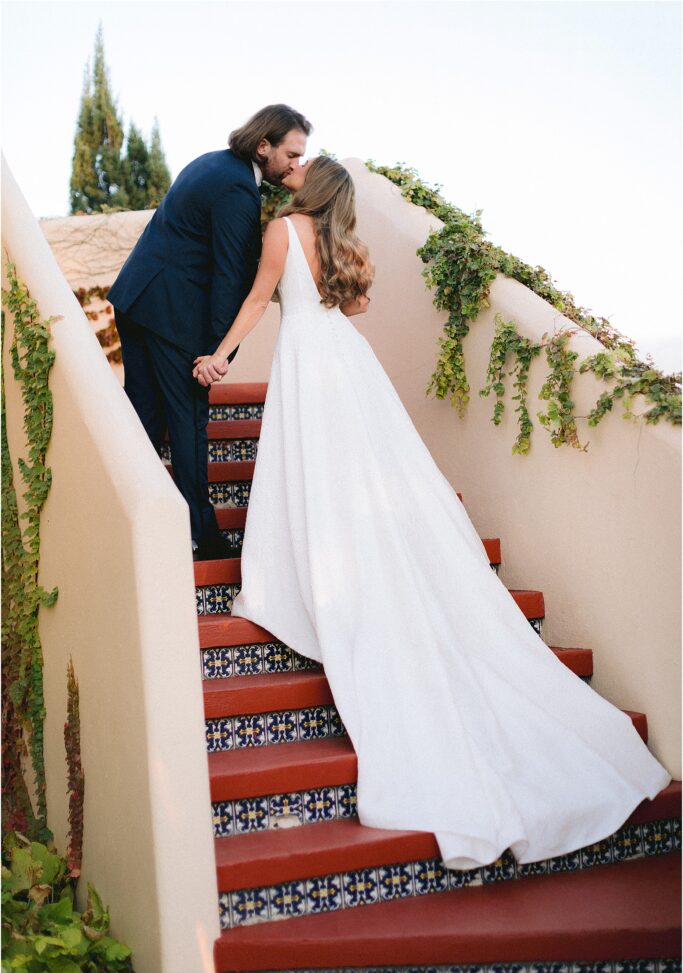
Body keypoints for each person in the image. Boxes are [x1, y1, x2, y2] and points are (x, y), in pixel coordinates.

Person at [192, 156, 672, 870]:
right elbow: (351, 308)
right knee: (363, 472)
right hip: (347, 362)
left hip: (303, 361)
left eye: (299, 172)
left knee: (312, 468)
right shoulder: (344, 244)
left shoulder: (282, 231)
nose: (289, 177)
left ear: (310, 190)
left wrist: (220, 355)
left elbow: (260, 301)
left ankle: (302, 573)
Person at [108, 104, 312, 561]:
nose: (296, 164)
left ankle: (125, 521)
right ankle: (204, 538)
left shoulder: (215, 164)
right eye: (292, 154)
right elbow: (229, 277)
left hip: (139, 297)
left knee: (144, 416)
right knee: (189, 419)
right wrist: (218, 354)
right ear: (264, 146)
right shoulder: (238, 190)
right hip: (169, 311)